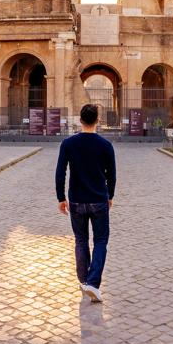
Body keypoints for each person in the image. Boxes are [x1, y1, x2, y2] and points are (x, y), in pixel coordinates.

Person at [55, 104, 116, 303]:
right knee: (100, 241)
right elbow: (112, 175)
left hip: (77, 201)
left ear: (80, 120)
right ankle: (92, 282)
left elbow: (60, 173)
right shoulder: (105, 145)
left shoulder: (68, 143)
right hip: (98, 200)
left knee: (80, 240)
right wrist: (110, 196)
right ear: (97, 120)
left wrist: (61, 198)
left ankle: (84, 282)